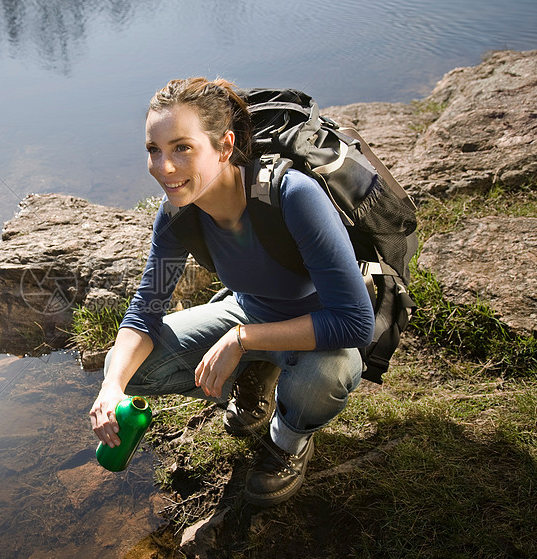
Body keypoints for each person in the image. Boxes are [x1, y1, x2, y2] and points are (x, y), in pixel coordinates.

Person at [88, 77, 375, 507]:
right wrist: (112, 387)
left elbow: (354, 322)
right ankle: (257, 371)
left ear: (224, 146)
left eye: (182, 148)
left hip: (318, 332)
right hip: (248, 312)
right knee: (127, 367)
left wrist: (243, 338)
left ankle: (287, 443)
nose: (164, 167)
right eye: (154, 150)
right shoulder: (176, 217)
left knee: (321, 379)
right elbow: (144, 311)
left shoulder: (292, 196)